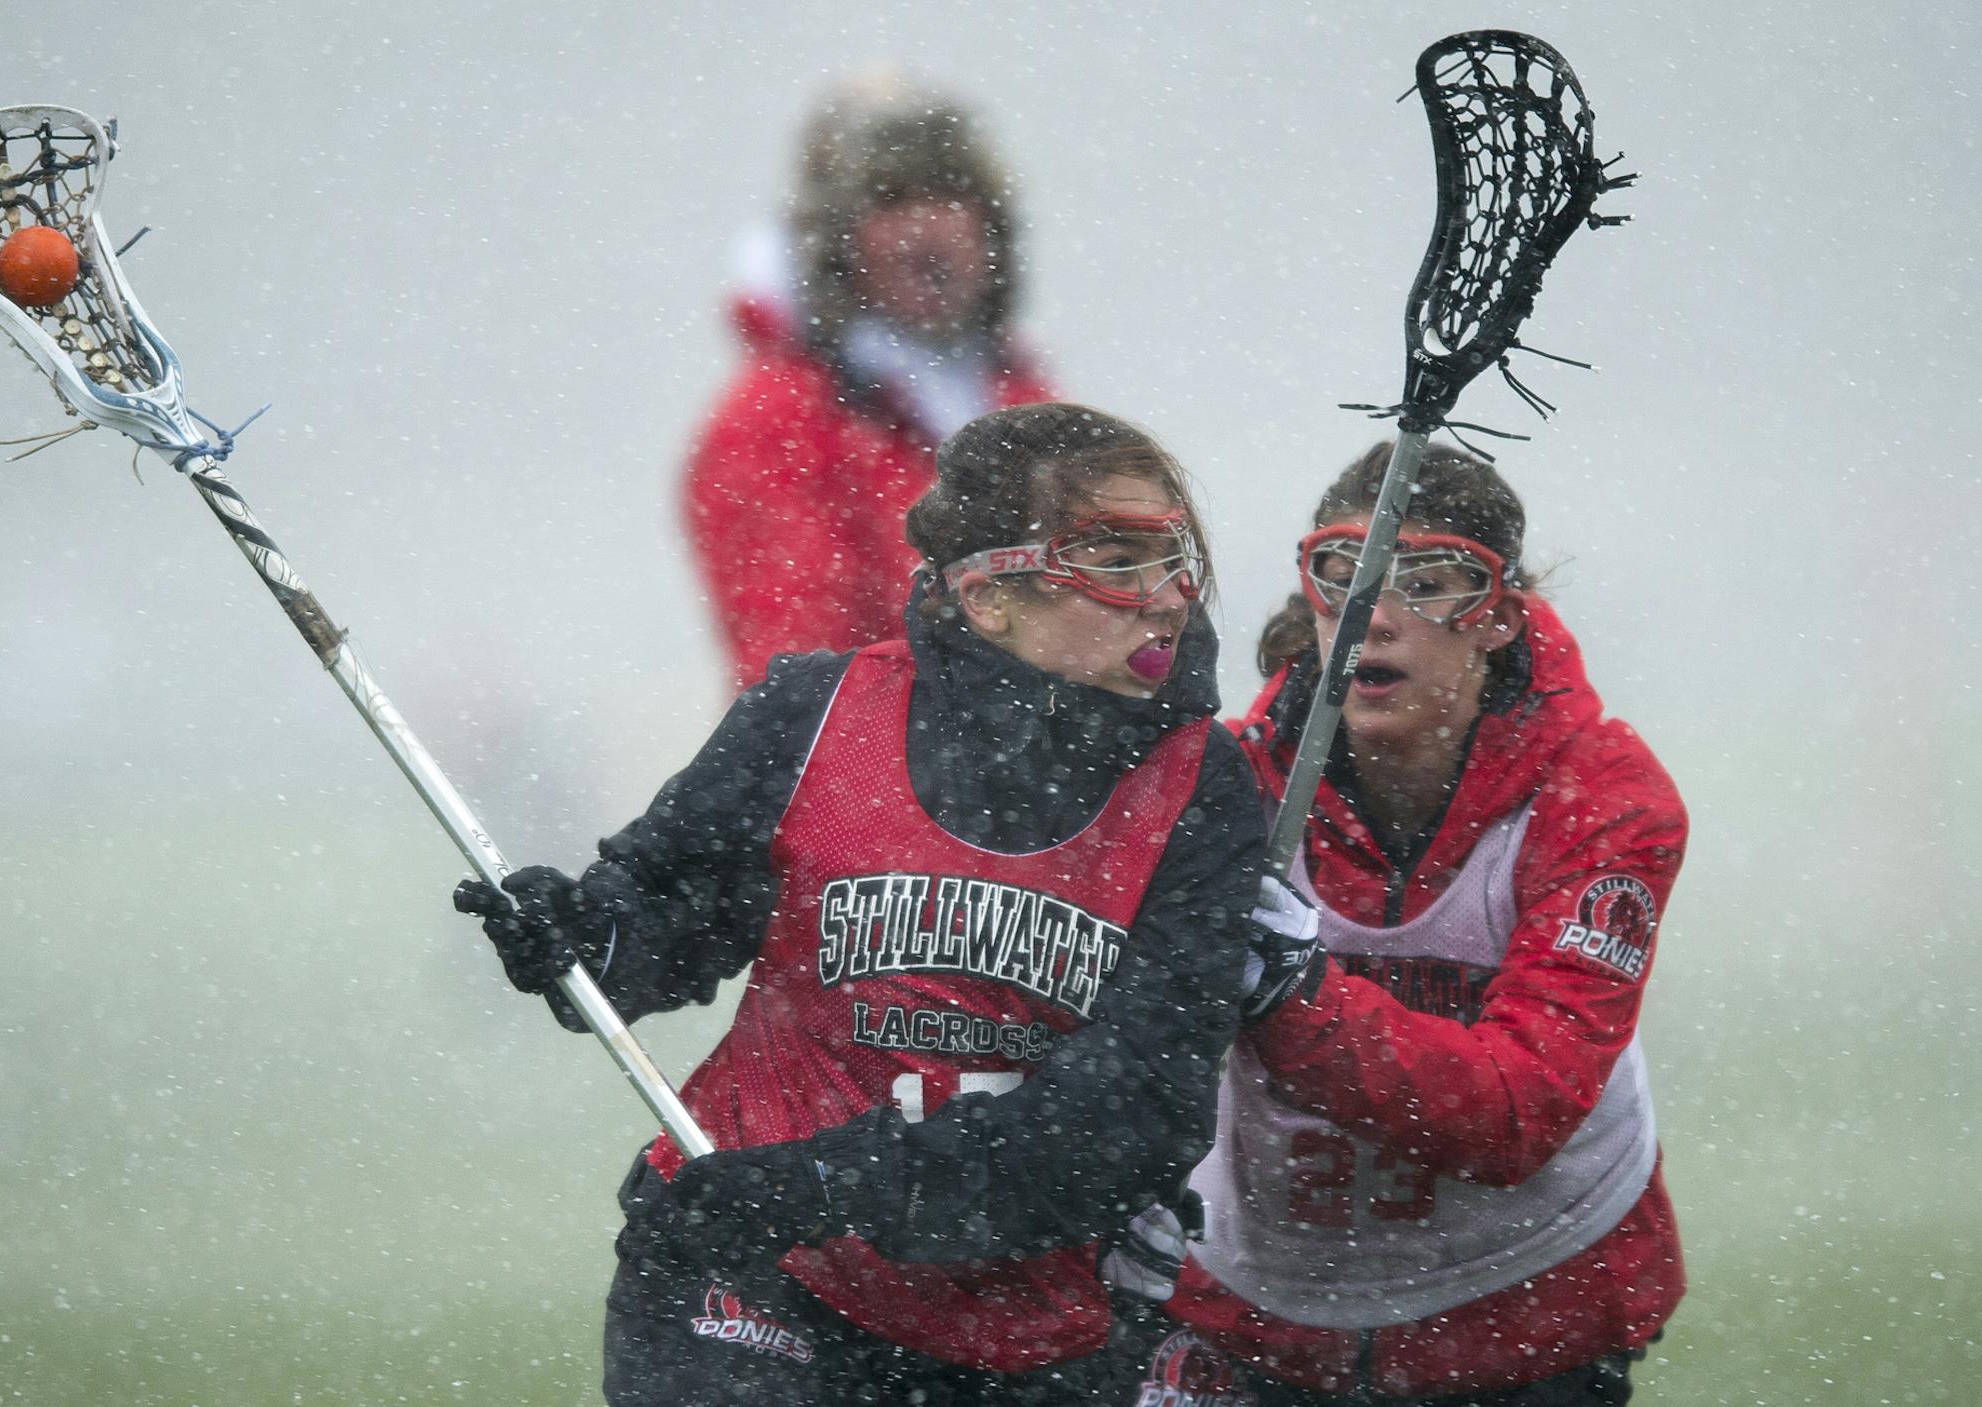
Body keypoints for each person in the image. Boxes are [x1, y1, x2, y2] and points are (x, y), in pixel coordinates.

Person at [457, 403, 1320, 1405]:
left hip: (1022, 1330)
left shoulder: (1201, 789)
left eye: (1173, 559)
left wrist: (836, 1184)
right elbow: (672, 920)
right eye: (1117, 563)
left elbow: (1133, 1115)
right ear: (990, 594)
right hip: (751, 1275)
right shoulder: (812, 710)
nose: (1166, 599)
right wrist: (584, 939)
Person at [1118, 443, 1687, 1406]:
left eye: (1430, 584)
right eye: (1346, 578)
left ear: (1499, 619)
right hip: (1254, 1304)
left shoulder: (1600, 797)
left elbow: (1517, 1115)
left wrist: (1294, 999)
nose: (1375, 617)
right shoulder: (1224, 784)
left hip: (1523, 1308)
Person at [682, 71, 1057, 692]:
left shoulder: (1019, 395)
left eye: (949, 197)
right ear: (834, 243)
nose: (926, 230)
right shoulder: (776, 420)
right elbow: (805, 693)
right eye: (891, 200)